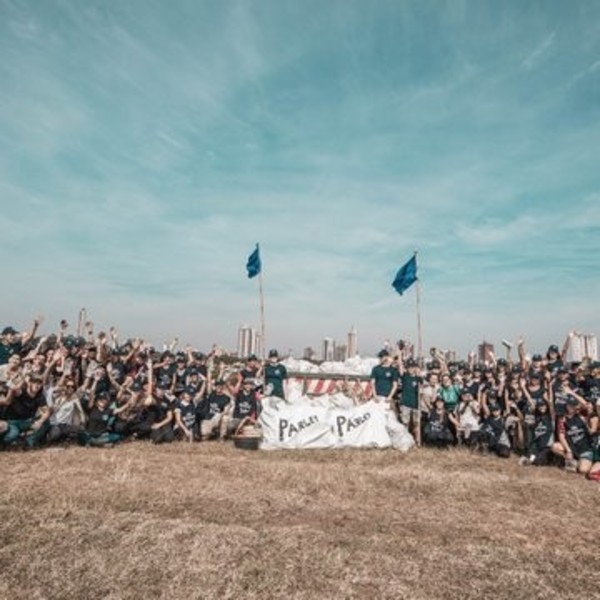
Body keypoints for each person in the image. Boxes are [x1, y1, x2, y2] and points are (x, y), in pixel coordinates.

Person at [0, 375, 50, 447]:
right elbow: (14, 391)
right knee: (13, 435)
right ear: (29, 383)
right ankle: (4, 443)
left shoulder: (40, 396)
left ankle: (29, 441)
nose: (37, 385)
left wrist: (40, 422)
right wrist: (21, 379)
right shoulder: (21, 391)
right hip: (12, 422)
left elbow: (47, 411)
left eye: (39, 383)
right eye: (34, 382)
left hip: (27, 421)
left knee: (46, 422)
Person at [397, 358, 421, 446]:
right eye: (409, 367)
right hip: (405, 403)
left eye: (412, 367)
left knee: (416, 423)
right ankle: (405, 440)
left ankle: (417, 441)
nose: (411, 369)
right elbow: (400, 367)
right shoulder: (405, 376)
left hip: (415, 404)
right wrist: (400, 353)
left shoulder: (418, 379)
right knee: (405, 422)